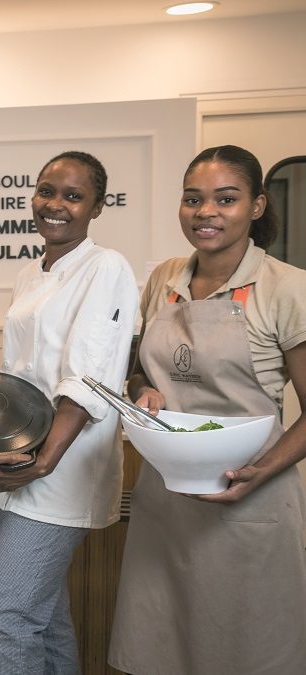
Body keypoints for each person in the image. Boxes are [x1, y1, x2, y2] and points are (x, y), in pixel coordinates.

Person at [109, 145, 306, 674]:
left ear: (258, 206)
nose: (206, 212)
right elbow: (141, 371)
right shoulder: (164, 279)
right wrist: (141, 388)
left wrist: (255, 473)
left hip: (250, 501)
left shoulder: (286, 288)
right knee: (161, 648)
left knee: (245, 649)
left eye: (226, 198)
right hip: (166, 499)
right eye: (193, 199)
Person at [0, 151, 138, 674]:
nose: (54, 205)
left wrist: (42, 463)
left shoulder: (106, 267)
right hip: (21, 463)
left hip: (61, 466)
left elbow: (89, 376)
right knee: (45, 617)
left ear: (96, 208)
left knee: (2, 614)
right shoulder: (29, 272)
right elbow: (25, 373)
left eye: (72, 195)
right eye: (46, 190)